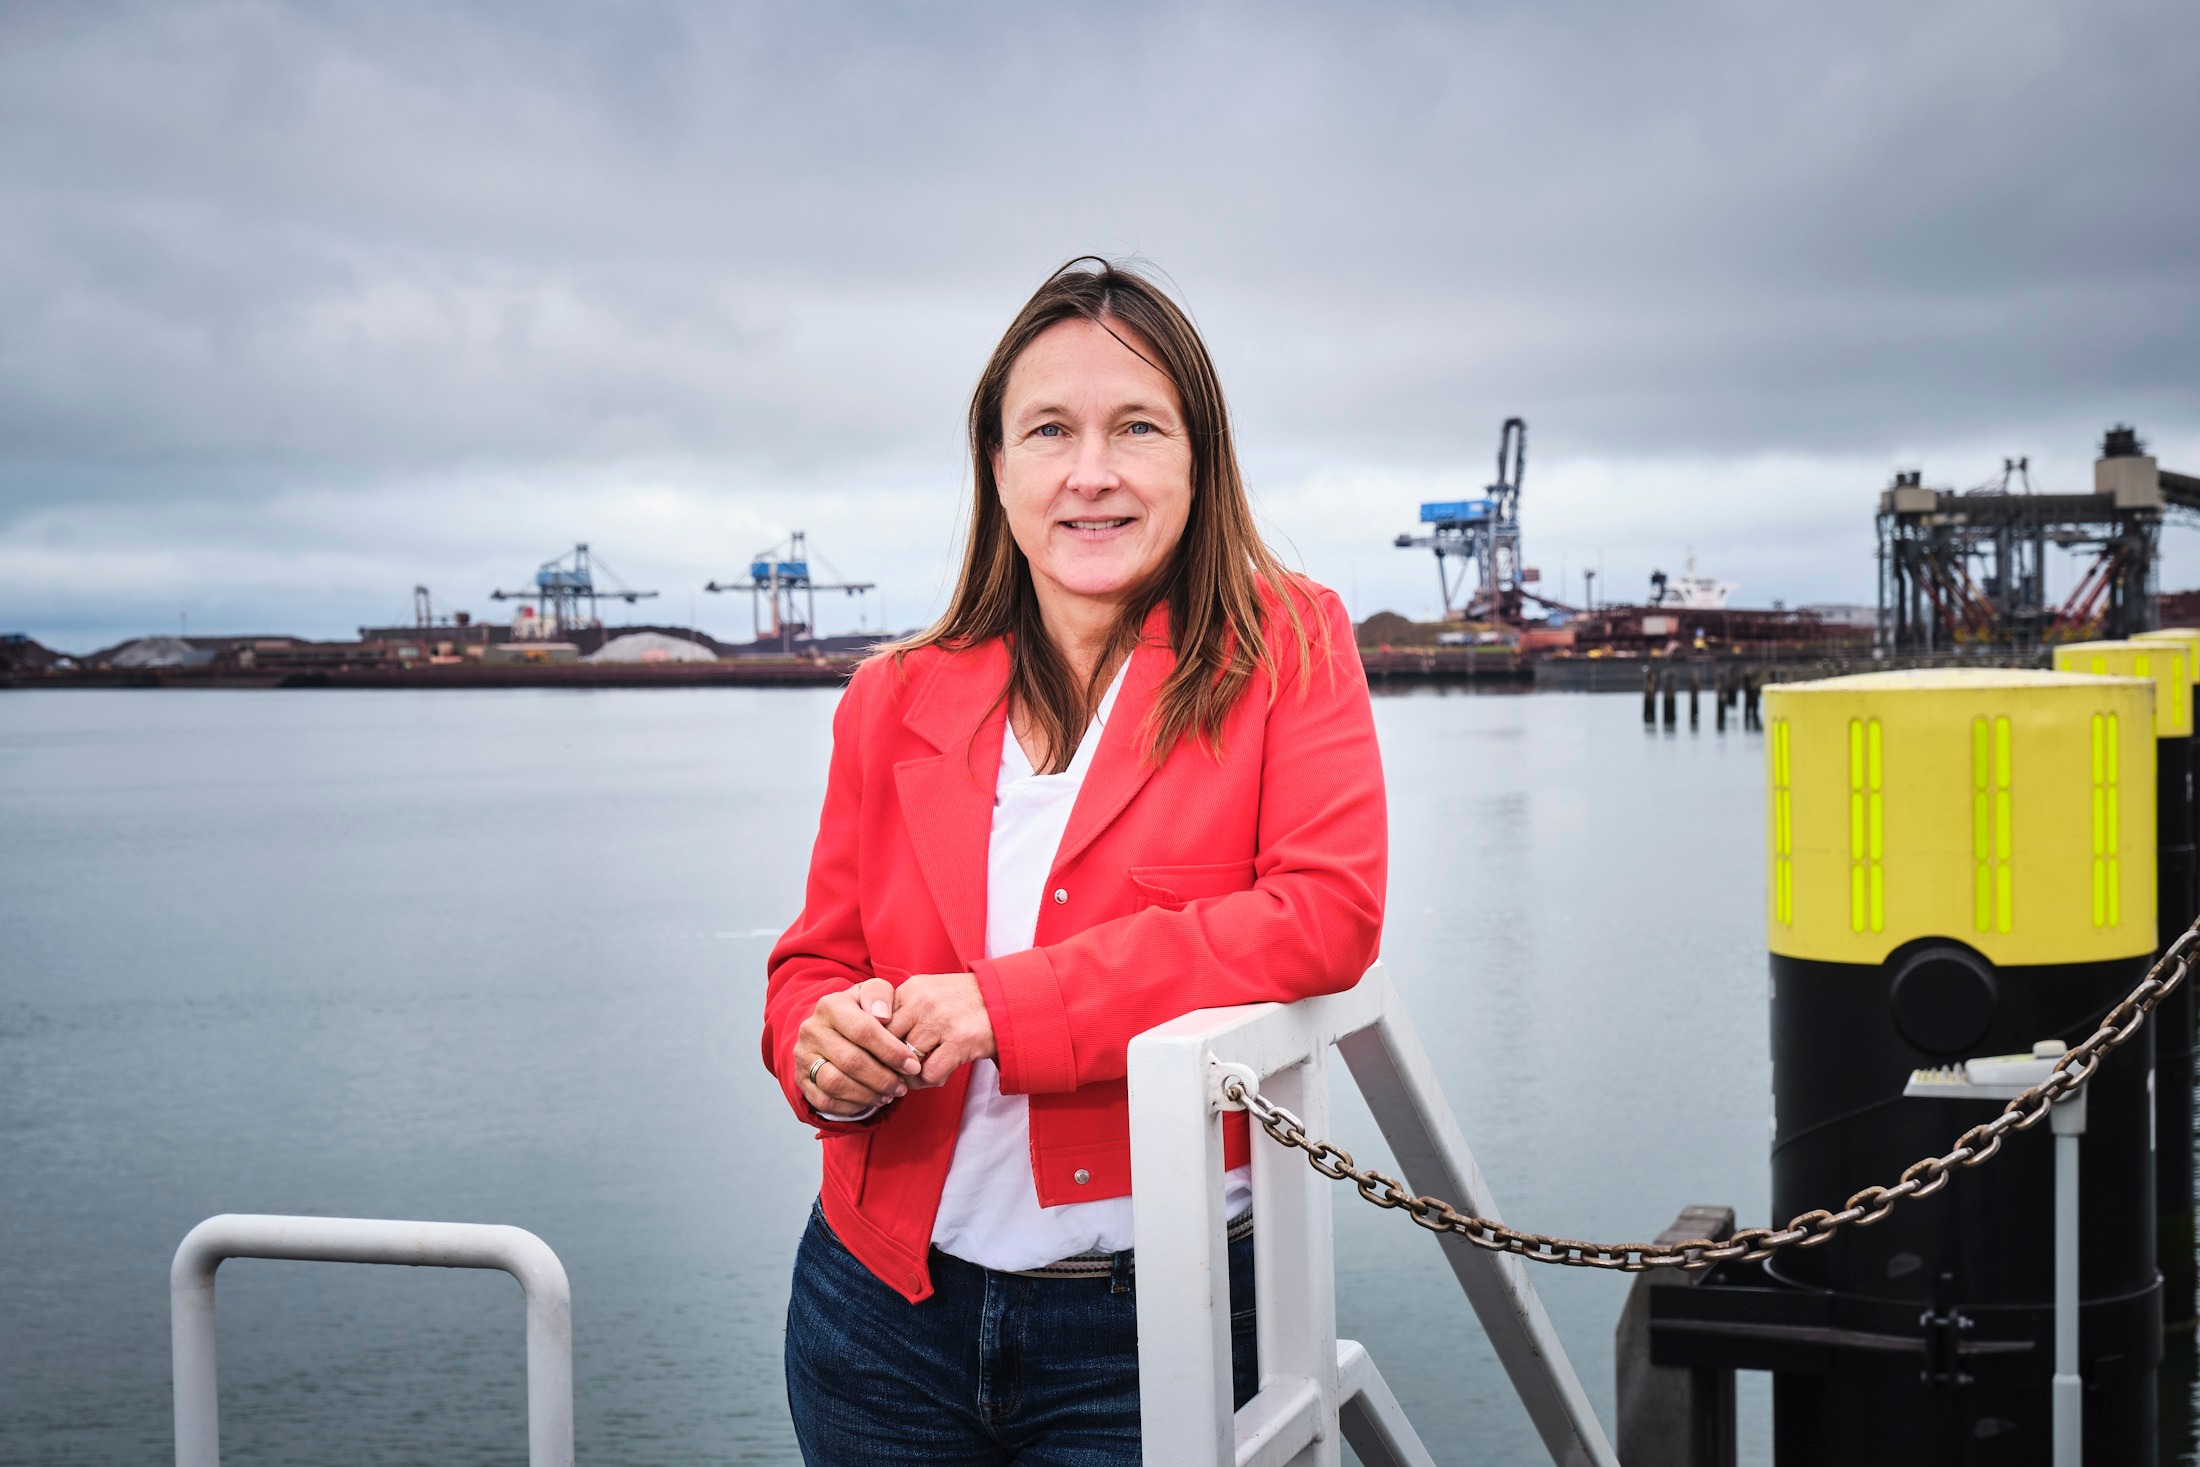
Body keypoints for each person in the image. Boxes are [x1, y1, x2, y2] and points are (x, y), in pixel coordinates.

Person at [762, 257, 1387, 1465]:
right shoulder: (891, 695)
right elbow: (815, 962)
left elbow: (1324, 915)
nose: (1089, 471)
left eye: (1136, 427)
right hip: (875, 1311)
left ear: (1199, 460)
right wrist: (817, 1047)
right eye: (1049, 429)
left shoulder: (1289, 646)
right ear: (997, 468)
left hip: (1150, 1323)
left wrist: (1003, 1008)